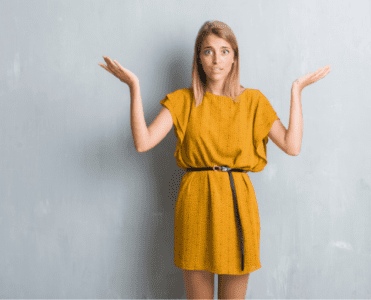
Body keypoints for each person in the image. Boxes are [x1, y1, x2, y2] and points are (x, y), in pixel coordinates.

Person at [99, 20, 331, 300]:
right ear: (198, 58)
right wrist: (134, 87)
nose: (217, 59)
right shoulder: (183, 100)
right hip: (196, 203)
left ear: (234, 57)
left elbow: (292, 146)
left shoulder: (254, 101)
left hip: (237, 206)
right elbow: (143, 142)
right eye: (208, 51)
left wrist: (296, 90)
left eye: (224, 51)